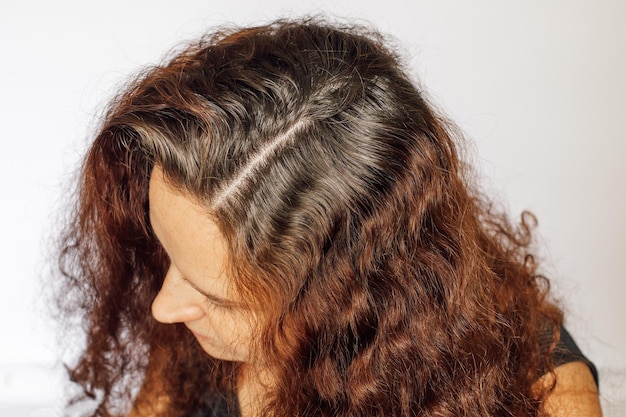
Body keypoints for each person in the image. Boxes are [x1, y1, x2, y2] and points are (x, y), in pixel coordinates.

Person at [55, 18, 601, 417]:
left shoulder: (548, 399)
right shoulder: (195, 327)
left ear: (342, 292)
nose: (163, 306)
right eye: (169, 252)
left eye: (219, 296)